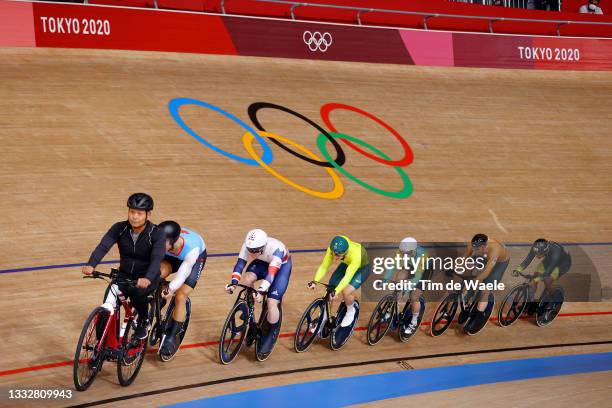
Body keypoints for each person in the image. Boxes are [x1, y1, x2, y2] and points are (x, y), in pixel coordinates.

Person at [82, 193, 165, 339]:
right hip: (123, 275)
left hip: (146, 277)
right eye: (132, 212)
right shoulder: (119, 228)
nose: (134, 216)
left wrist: (147, 278)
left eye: (139, 213)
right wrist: (91, 264)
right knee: (106, 308)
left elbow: (156, 258)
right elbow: (103, 246)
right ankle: (99, 350)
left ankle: (144, 321)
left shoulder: (157, 233)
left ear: (148, 214)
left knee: (138, 294)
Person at [225, 229, 292, 354]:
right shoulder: (248, 246)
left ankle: (270, 334)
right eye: (250, 251)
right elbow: (240, 264)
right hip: (262, 263)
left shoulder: (277, 249)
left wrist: (261, 291)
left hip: (281, 267)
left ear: (263, 246)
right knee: (247, 280)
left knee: (272, 302)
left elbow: (271, 274)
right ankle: (250, 316)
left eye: (255, 251)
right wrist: (233, 283)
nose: (252, 253)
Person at [158, 220, 207, 357]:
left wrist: (169, 290)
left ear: (173, 241)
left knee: (180, 295)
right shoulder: (161, 242)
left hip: (193, 259)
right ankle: (157, 302)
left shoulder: (192, 249)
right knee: (158, 273)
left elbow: (181, 276)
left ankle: (172, 337)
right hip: (170, 256)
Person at [309, 235, 370, 328]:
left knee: (345, 292)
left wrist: (336, 291)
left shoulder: (356, 255)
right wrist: (315, 281)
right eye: (333, 253)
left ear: (345, 253)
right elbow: (324, 266)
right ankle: (324, 316)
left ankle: (350, 309)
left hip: (362, 268)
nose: (334, 256)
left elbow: (347, 277)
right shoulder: (333, 248)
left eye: (337, 255)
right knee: (331, 287)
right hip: (347, 263)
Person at [461, 233, 510, 332]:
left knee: (485, 289)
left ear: (484, 246)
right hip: (484, 257)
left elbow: (487, 271)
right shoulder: (474, 246)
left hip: (499, 264)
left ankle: (478, 317)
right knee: (471, 272)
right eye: (474, 248)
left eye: (477, 249)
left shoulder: (494, 250)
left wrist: (477, 280)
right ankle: (469, 296)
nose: (474, 251)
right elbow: (463, 259)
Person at [384, 237, 432, 335]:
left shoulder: (422, 255)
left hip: (424, 270)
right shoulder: (401, 251)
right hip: (411, 266)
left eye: (407, 254)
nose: (404, 255)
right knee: (398, 279)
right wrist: (386, 278)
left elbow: (417, 276)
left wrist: (406, 289)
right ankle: (392, 306)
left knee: (414, 295)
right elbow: (392, 265)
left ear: (413, 251)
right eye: (403, 253)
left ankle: (414, 321)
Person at [513, 238, 571, 315]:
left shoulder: (555, 253)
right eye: (536, 253)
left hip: (562, 264)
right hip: (549, 260)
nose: (537, 256)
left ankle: (553, 298)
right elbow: (528, 259)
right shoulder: (536, 247)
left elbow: (547, 272)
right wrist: (518, 269)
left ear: (545, 251)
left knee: (547, 280)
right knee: (536, 275)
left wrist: (536, 279)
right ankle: (529, 303)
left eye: (539, 254)